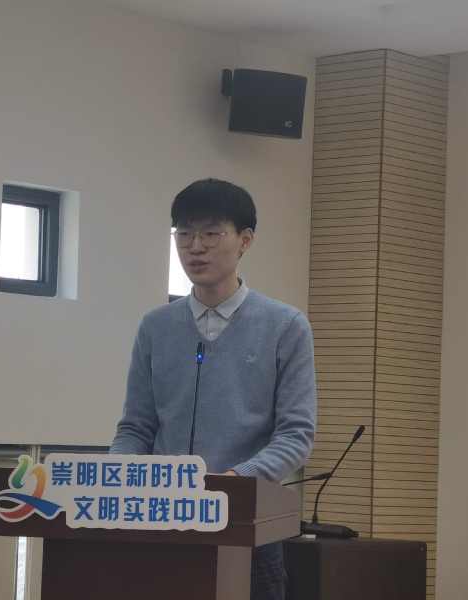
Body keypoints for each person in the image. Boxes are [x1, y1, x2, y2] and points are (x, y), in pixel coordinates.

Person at [111, 178, 317, 600]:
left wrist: (236, 480)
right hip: (161, 521)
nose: (195, 247)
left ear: (245, 240)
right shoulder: (155, 327)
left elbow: (296, 435)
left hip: (246, 523)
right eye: (183, 234)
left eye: (210, 233)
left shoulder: (285, 325)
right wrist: (118, 474)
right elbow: (135, 427)